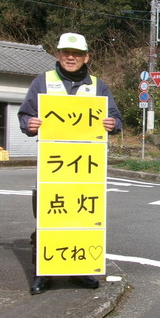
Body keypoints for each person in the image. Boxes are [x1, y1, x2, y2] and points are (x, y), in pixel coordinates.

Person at [18, 32, 123, 295]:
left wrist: (112, 125)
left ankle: (80, 269)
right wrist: (30, 124)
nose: (71, 57)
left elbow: (115, 118)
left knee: (82, 217)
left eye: (76, 53)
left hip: (87, 167)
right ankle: (43, 273)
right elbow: (26, 114)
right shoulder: (43, 81)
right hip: (53, 167)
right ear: (57, 54)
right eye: (66, 52)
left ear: (87, 57)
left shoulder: (98, 86)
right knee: (48, 219)